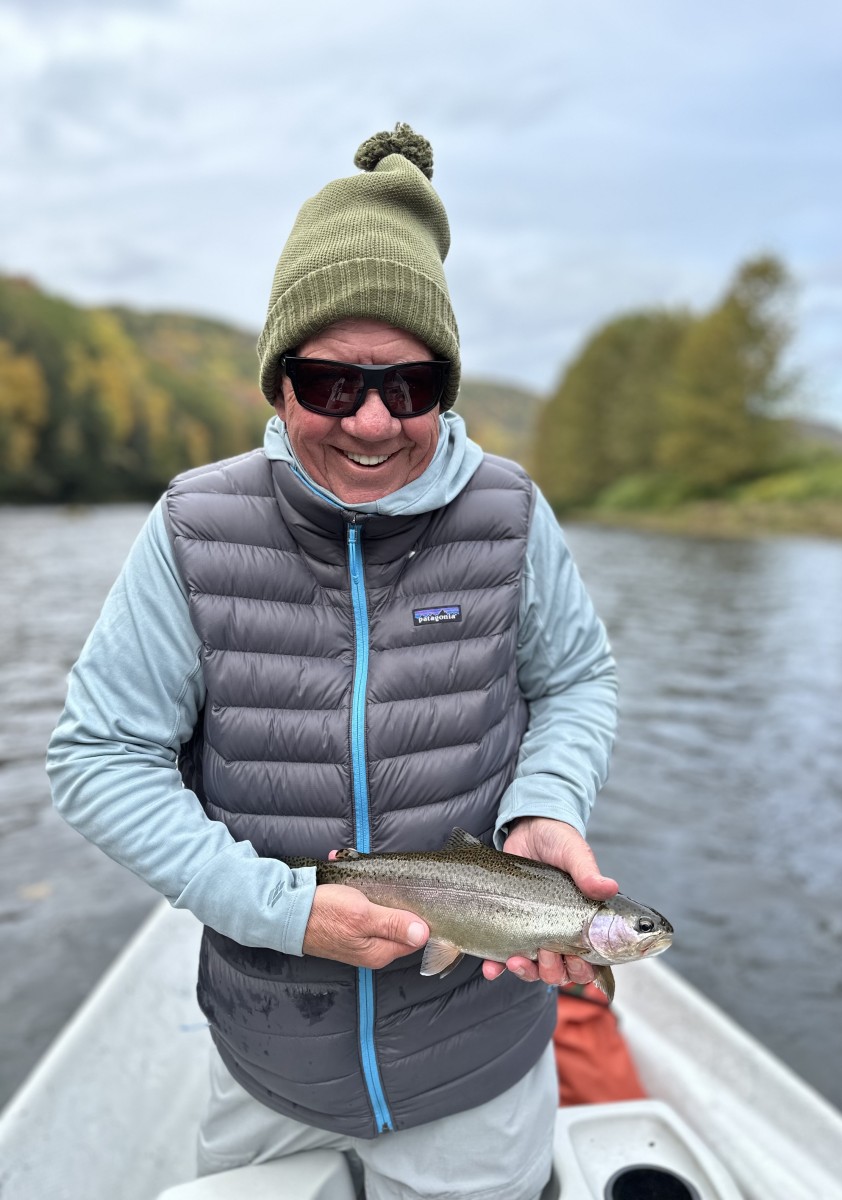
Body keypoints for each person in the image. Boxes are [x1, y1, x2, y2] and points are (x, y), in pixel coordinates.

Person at [47, 123, 618, 1200]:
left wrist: (547, 805)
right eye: (327, 382)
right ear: (276, 383)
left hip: (477, 1075)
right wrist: (284, 910)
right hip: (266, 1067)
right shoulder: (190, 529)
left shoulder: (512, 513)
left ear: (447, 384)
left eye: (408, 387)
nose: (369, 423)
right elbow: (99, 758)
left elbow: (576, 682)